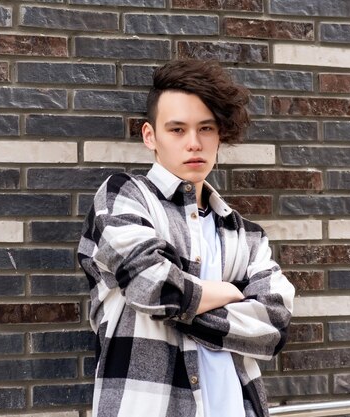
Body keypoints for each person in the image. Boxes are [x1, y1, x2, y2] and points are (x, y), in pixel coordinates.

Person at [78, 60, 295, 417]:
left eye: (205, 128)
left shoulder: (246, 234)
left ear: (219, 134)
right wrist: (232, 291)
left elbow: (274, 324)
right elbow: (154, 287)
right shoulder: (124, 197)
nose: (194, 143)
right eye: (177, 129)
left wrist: (178, 303)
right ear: (150, 136)